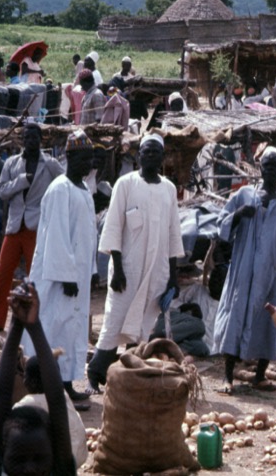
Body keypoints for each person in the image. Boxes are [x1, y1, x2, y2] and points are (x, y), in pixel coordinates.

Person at [88, 133, 184, 392]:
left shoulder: (169, 189)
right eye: (146, 151)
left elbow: (174, 234)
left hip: (157, 272)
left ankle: (129, 377)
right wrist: (117, 268)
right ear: (139, 155)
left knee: (143, 327)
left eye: (156, 152)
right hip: (126, 271)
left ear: (163, 158)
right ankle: (95, 372)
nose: (150, 156)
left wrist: (173, 278)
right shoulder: (125, 184)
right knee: (114, 322)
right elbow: (114, 226)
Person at [212, 146, 276, 394]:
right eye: (266, 165)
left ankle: (260, 375)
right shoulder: (243, 195)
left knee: (270, 320)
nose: (270, 169)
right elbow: (220, 225)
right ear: (260, 168)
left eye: (275, 165)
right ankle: (228, 377)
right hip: (245, 269)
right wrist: (241, 214)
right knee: (235, 316)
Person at [22, 131, 97, 402]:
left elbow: (87, 236)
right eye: (82, 158)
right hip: (58, 278)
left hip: (76, 277)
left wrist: (89, 272)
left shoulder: (84, 190)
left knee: (71, 329)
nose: (88, 163)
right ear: (68, 157)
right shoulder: (59, 188)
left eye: (91, 158)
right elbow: (56, 234)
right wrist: (66, 276)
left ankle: (65, 383)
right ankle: (48, 384)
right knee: (53, 327)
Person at [0, 284, 75, 475]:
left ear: (53, 454)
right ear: (2, 452)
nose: (29, 470)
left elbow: (56, 400)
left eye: (39, 459)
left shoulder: (58, 470)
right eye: (18, 460)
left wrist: (34, 325)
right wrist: (15, 325)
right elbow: (1, 396)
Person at [0, 123, 64, 334]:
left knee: (35, 276)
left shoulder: (50, 164)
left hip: (37, 226)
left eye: (34, 138)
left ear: (40, 140)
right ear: (21, 140)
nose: (30, 141)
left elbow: (64, 185)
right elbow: (2, 191)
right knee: (3, 274)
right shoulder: (11, 163)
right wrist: (21, 181)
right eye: (26, 138)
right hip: (15, 225)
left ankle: (36, 323)